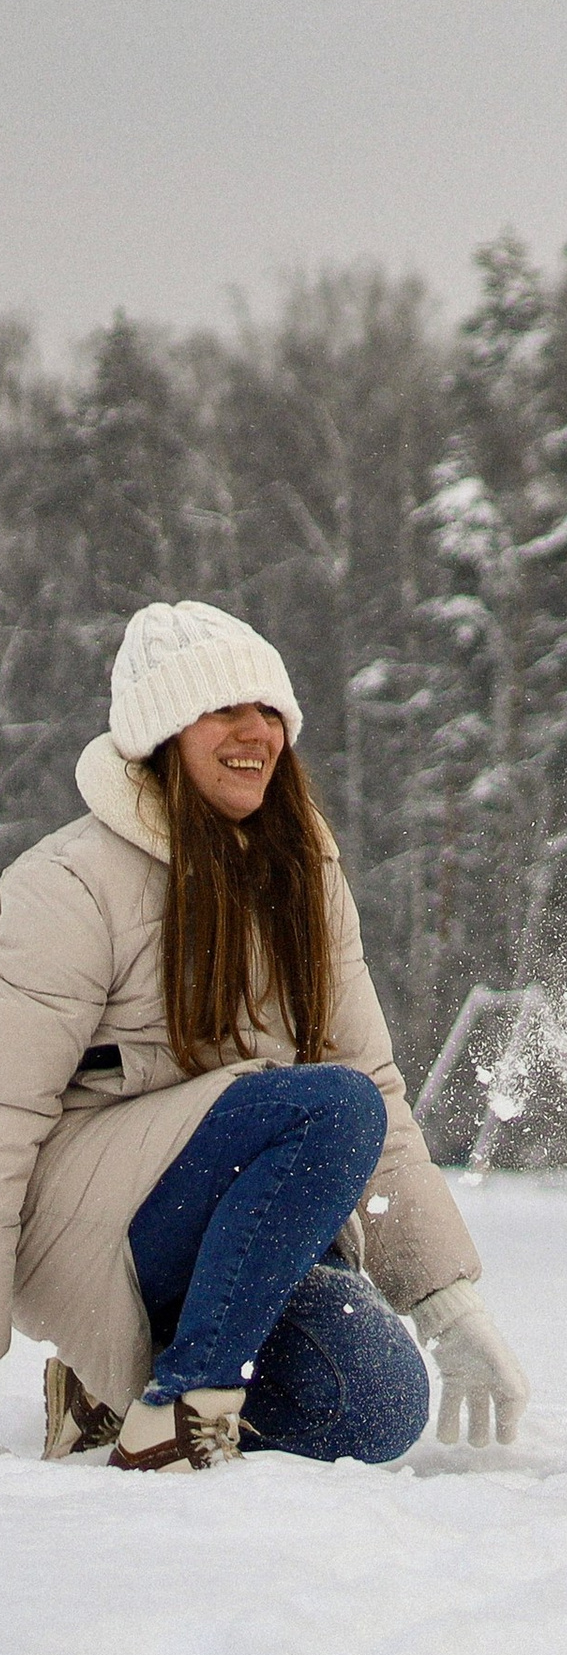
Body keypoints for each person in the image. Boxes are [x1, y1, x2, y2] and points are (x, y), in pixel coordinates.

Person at [0, 600, 529, 1471]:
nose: (257, 733)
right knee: (328, 1107)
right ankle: (182, 1408)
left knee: (374, 1406)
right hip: (100, 1233)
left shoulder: (307, 879)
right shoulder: (71, 884)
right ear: (164, 734)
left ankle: (109, 1391)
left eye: (270, 712)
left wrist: (446, 1301)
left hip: (252, 1231)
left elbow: (376, 1088)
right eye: (224, 711)